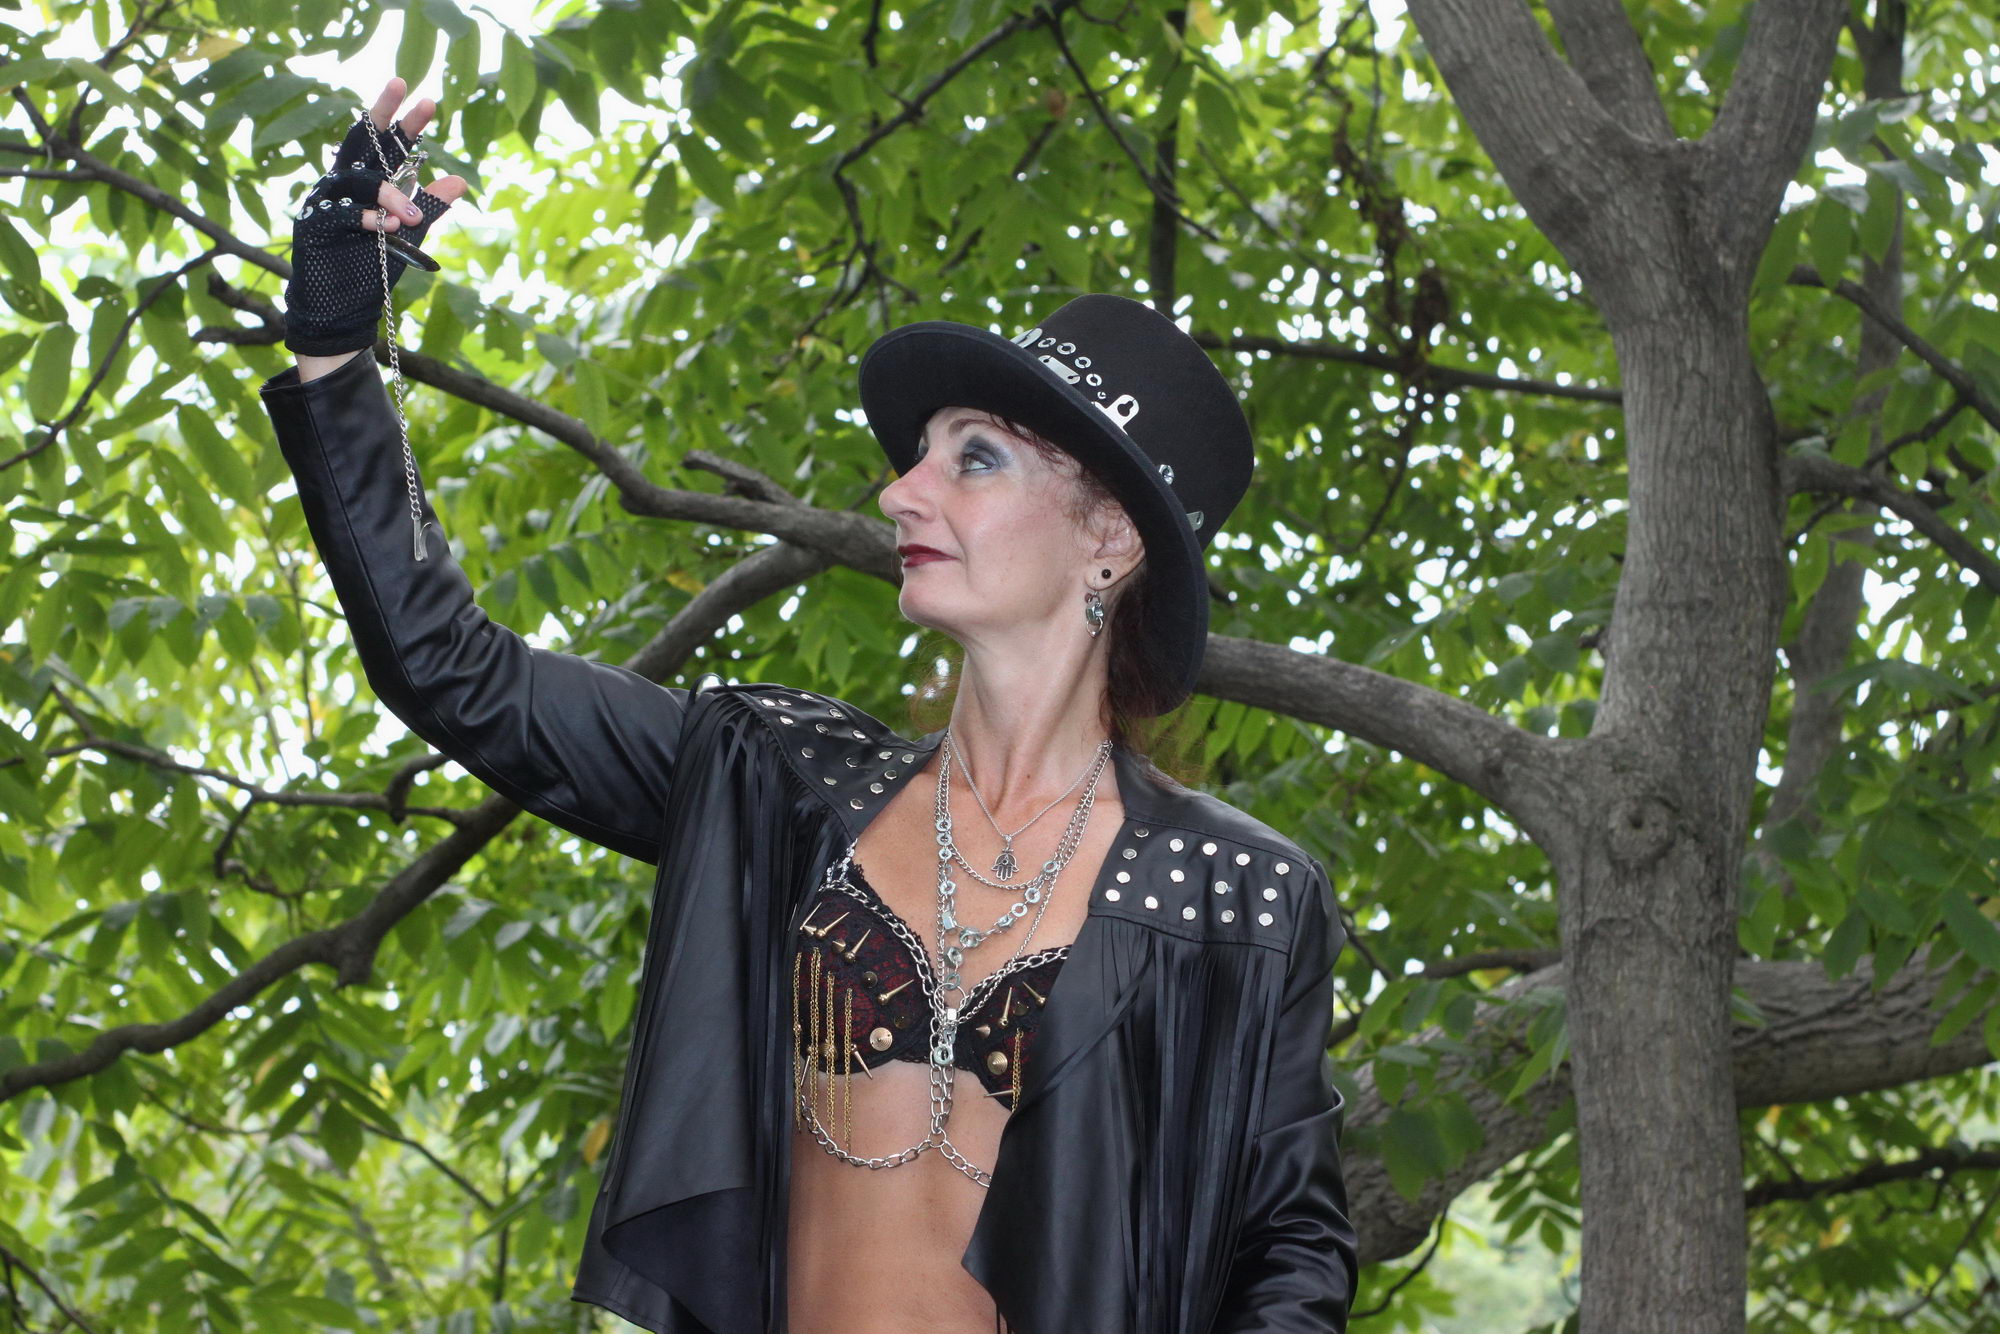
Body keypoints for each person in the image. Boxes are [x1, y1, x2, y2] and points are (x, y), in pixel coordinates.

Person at [259, 77, 1356, 1334]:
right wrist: (336, 352)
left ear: (1108, 535)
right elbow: (453, 666)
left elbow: (1289, 1258)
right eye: (918, 453)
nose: (901, 492)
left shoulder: (1236, 897)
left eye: (972, 457)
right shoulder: (778, 782)